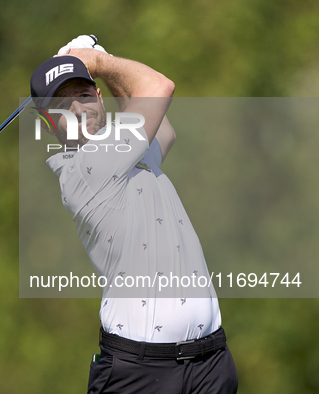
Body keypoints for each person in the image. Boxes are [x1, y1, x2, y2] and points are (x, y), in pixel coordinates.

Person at [29, 36, 238, 393]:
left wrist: (102, 64)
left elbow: (165, 132)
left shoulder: (124, 150)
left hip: (210, 362)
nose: (78, 111)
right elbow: (159, 86)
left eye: (82, 95)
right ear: (49, 123)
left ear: (98, 97)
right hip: (140, 372)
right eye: (62, 106)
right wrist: (99, 60)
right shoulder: (85, 168)